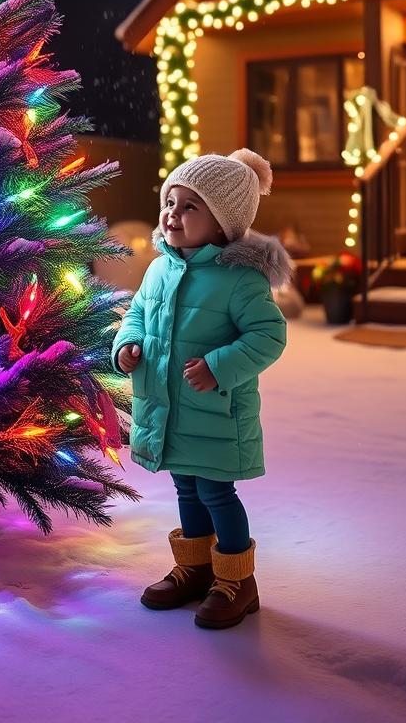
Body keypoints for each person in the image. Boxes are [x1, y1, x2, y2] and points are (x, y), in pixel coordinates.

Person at [111, 148, 291, 629]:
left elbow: (268, 336)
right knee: (186, 487)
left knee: (216, 490)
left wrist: (219, 365)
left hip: (213, 412)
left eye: (191, 206)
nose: (173, 213)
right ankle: (195, 568)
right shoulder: (158, 269)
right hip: (169, 409)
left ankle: (237, 580)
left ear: (222, 224)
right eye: (171, 201)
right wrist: (127, 344)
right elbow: (136, 316)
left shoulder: (239, 280)